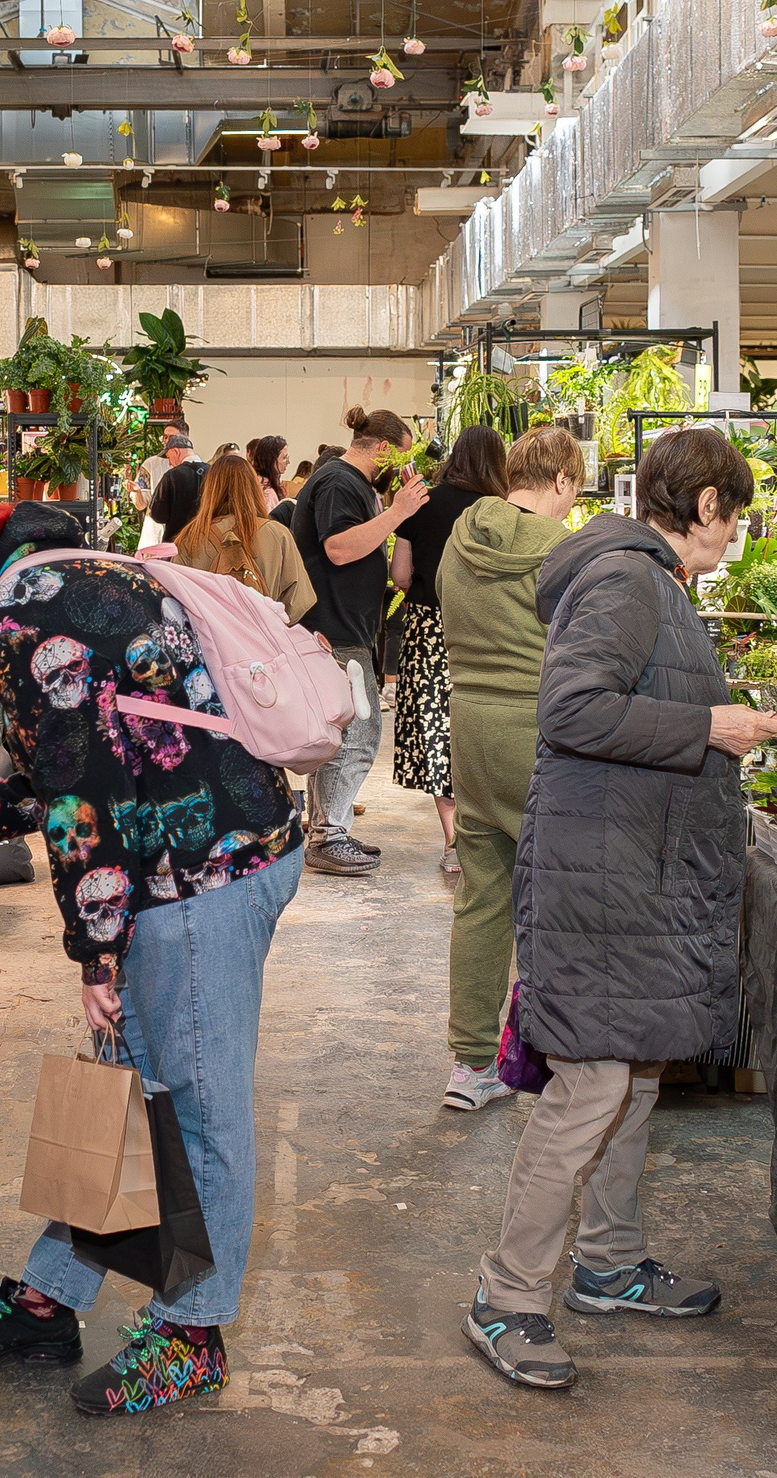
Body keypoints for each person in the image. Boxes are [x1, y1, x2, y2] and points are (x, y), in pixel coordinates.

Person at [0, 490, 305, 1417]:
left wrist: (94, 956)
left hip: (202, 871)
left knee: (197, 1110)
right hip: (204, 854)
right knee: (133, 1098)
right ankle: (51, 1297)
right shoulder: (75, 573)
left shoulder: (19, 614)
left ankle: (194, 1334)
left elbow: (83, 807)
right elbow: (78, 762)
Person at [464, 426, 771, 1391]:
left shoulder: (646, 580)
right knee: (593, 1087)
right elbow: (572, 711)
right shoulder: (630, 581)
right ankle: (506, 1296)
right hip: (600, 878)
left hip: (632, 869)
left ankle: (608, 1263)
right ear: (709, 506)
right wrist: (710, 727)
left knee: (632, 1075)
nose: (736, 536)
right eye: (736, 516)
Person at [434, 424, 583, 1111]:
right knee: (557, 899)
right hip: (540, 729)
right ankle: (560, 1056)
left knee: (482, 895)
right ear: (559, 480)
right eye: (573, 492)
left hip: (470, 724)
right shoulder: (563, 549)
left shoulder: (463, 534)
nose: (570, 507)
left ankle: (469, 1066)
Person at [290, 407, 428, 875]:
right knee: (360, 733)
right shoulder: (338, 482)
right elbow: (339, 547)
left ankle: (329, 827)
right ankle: (328, 835)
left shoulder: (348, 482)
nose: (407, 467)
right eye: (405, 455)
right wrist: (398, 512)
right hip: (334, 628)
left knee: (347, 732)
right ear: (385, 448)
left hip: (345, 627)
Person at [391, 426, 507, 877]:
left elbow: (400, 575)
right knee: (482, 725)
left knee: (437, 731)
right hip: (485, 630)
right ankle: (491, 838)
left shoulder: (422, 504)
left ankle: (454, 841)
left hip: (427, 628)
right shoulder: (499, 512)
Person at [172, 454, 316, 625]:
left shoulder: (190, 537)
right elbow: (299, 601)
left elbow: (176, 600)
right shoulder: (278, 533)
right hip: (264, 642)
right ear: (253, 488)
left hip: (211, 644)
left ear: (210, 489)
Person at [146, 433, 207, 545]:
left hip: (177, 543)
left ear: (176, 452)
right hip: (207, 542)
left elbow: (158, 515)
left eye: (169, 457)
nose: (169, 463)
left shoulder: (172, 476)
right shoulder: (214, 473)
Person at [130, 419, 189, 514]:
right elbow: (140, 506)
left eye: (172, 437)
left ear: (185, 439)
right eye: (165, 437)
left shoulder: (193, 466)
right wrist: (137, 492)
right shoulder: (151, 464)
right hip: (156, 525)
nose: (167, 441)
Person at [249, 435, 290, 511]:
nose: (288, 462)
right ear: (271, 460)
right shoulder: (267, 493)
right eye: (284, 458)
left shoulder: (254, 481)